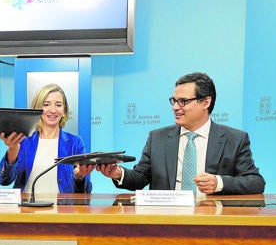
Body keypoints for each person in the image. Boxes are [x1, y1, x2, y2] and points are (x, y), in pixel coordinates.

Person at [96, 72, 265, 195]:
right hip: (166, 220)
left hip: (213, 220)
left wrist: (218, 183)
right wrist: (118, 173)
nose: (175, 107)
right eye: (174, 101)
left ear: (206, 102)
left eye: (183, 101)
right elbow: (141, 177)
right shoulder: (158, 138)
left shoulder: (234, 139)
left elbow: (256, 183)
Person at [0, 83, 92, 193]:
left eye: (58, 105)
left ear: (64, 111)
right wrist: (13, 149)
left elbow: (86, 191)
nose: (53, 110)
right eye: (46, 104)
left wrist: (79, 176)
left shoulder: (75, 143)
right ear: (37, 108)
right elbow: (4, 180)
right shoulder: (23, 141)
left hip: (62, 209)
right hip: (27, 209)